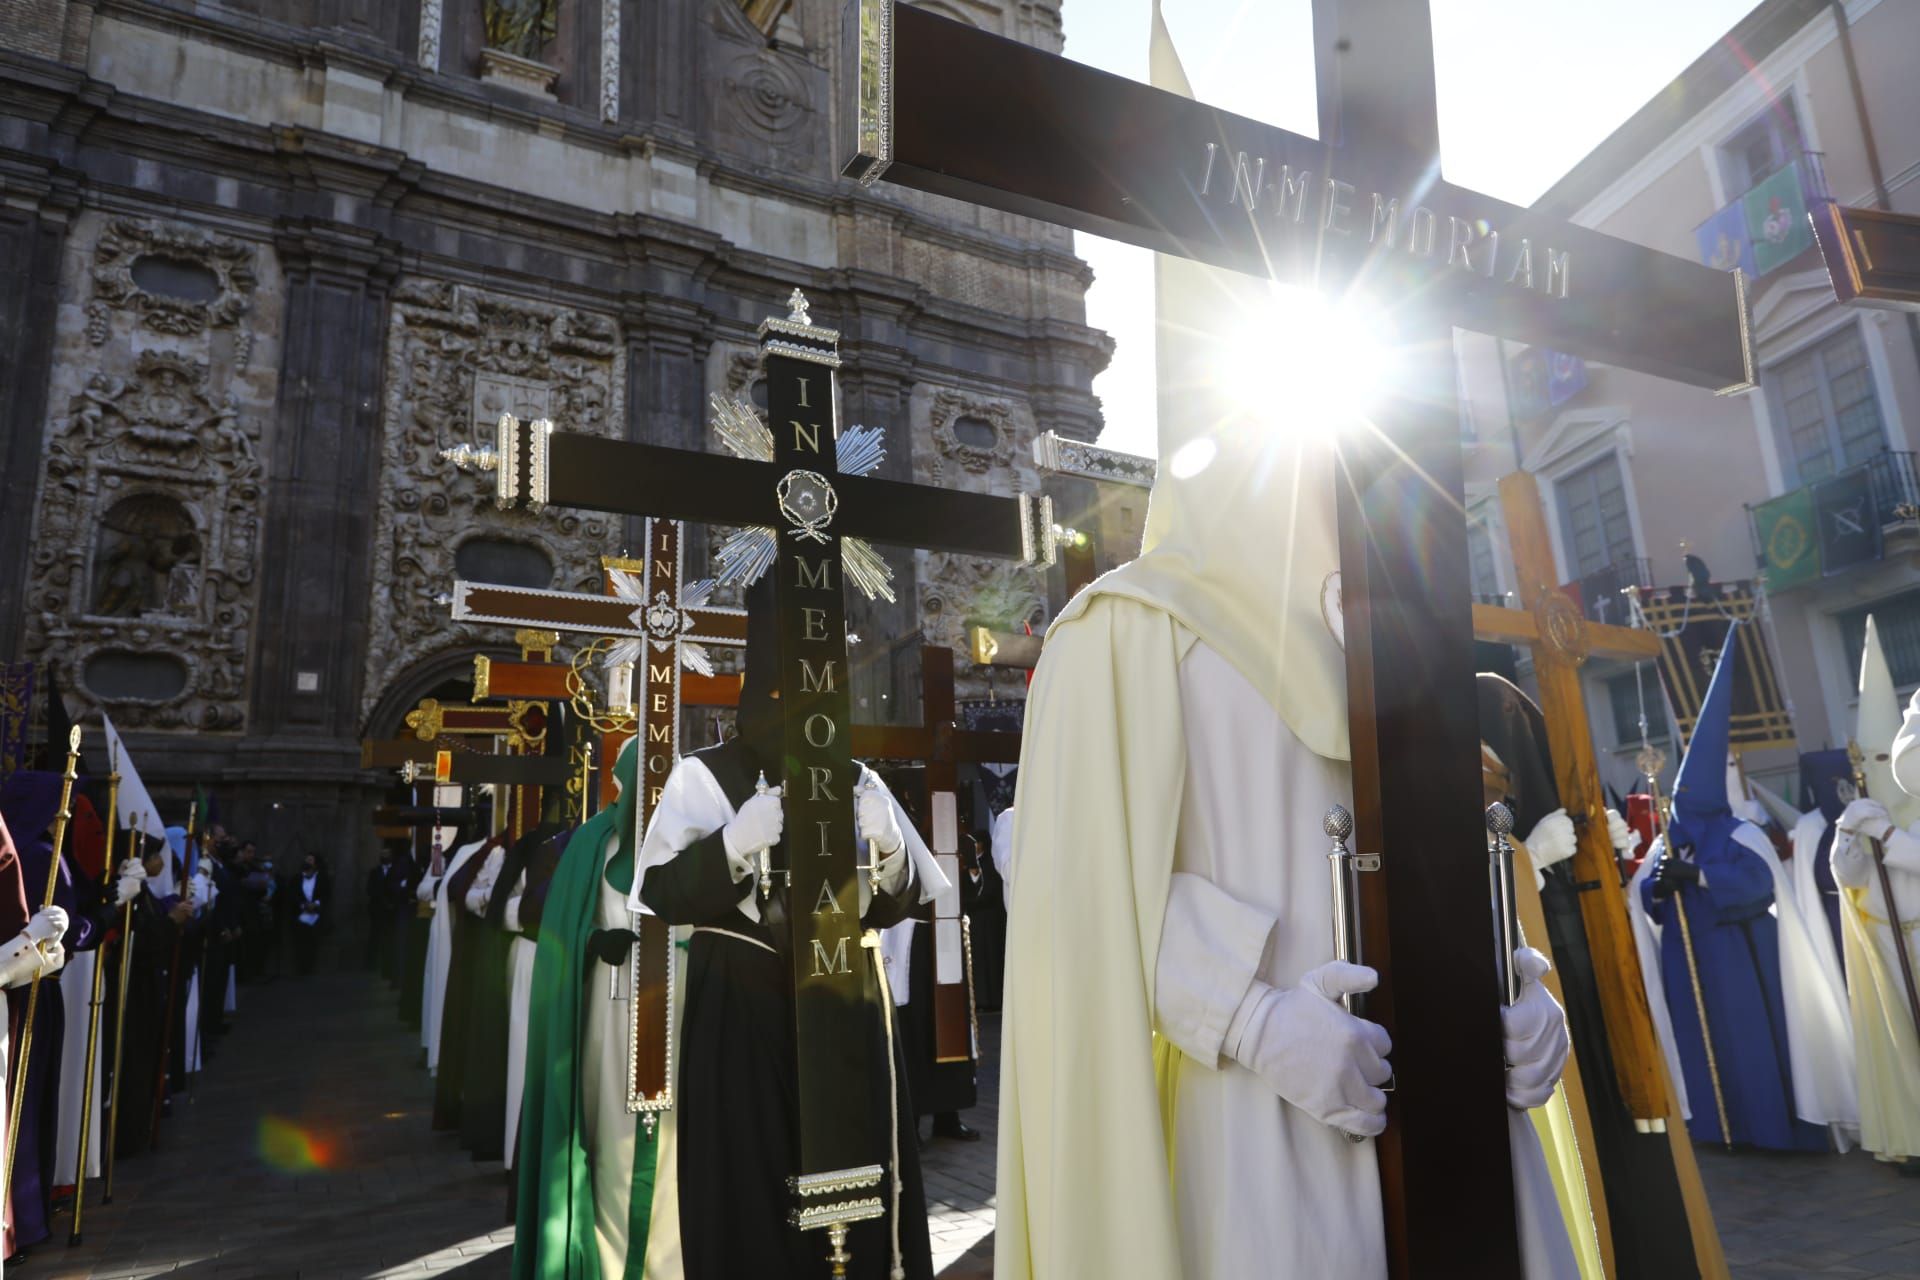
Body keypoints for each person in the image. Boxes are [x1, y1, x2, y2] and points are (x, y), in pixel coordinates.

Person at [992, 240, 1575, 1274]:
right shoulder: (1120, 631)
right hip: (1260, 1136)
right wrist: (1254, 1018)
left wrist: (1518, 986)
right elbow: (1076, 893)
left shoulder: (1397, 630)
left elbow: (1445, 852)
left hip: (1463, 1114)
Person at [631, 572, 944, 1280]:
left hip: (845, 1008)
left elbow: (904, 898)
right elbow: (658, 893)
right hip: (745, 1012)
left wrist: (890, 848)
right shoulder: (701, 779)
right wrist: (731, 846)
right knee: (752, 1192)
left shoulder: (862, 779)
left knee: (862, 1192)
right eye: (781, 694)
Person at [1631, 639, 1855, 1152]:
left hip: (1742, 961)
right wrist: (1658, 884)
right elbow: (1646, 893)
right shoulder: (1673, 834)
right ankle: (1714, 1126)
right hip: (1687, 965)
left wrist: (1700, 877)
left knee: (1749, 1043)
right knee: (1701, 1045)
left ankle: (1768, 1128)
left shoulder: (1740, 833)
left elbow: (1759, 884)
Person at [514, 739, 676, 1279]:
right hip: (609, 1018)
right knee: (610, 1144)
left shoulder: (691, 841)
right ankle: (605, 1263)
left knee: (677, 1151)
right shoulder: (591, 844)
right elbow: (562, 928)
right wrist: (591, 942)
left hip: (677, 1015)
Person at [285, 852, 329, 976]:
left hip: (315, 914)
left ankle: (310, 968)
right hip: (300, 914)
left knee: (312, 942)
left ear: (316, 864)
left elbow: (326, 895)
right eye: (306, 860)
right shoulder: (296, 878)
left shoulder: (322, 878)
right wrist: (303, 904)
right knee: (299, 942)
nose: (307, 862)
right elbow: (292, 895)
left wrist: (316, 903)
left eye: (310, 860)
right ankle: (300, 968)